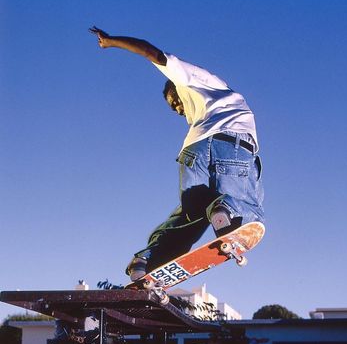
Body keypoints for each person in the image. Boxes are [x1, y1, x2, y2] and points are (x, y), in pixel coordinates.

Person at [89, 27, 264, 281]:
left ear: (178, 88)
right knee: (248, 209)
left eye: (177, 102)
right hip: (227, 144)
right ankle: (225, 209)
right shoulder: (202, 109)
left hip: (194, 154)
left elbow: (152, 53)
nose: (179, 109)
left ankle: (146, 259)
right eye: (174, 109)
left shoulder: (193, 78)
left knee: (189, 217)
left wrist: (112, 41)